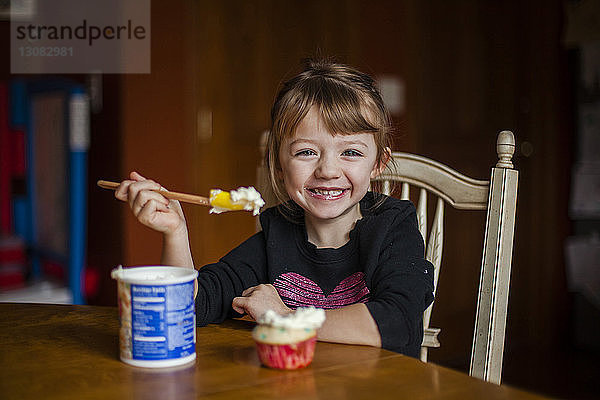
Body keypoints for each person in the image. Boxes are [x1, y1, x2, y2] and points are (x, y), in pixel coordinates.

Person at [115, 59, 434, 358]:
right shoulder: (277, 234)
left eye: (350, 152)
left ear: (378, 163)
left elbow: (398, 323)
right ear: (279, 166)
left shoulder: (394, 227)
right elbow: (191, 307)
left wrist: (284, 316)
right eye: (306, 152)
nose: (328, 170)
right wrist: (175, 233)